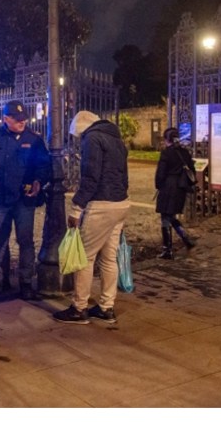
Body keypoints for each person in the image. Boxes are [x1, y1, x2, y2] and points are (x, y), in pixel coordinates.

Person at [52, 110, 130, 325]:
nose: (79, 141)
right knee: (109, 258)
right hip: (121, 203)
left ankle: (79, 307)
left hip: (101, 205)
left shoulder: (92, 138)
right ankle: (106, 307)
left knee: (84, 257)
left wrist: (77, 208)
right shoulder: (116, 139)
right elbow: (124, 175)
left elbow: (90, 176)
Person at [0, 99, 51, 300]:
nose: (22, 121)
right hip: (0, 199)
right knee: (0, 240)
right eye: (16, 119)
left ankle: (26, 283)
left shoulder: (34, 140)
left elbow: (44, 166)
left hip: (24, 200)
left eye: (23, 118)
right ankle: (0, 280)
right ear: (5, 118)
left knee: (25, 241)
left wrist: (38, 181)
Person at [154, 127, 197, 259]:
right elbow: (192, 171)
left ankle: (168, 249)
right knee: (170, 216)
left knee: (166, 217)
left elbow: (160, 173)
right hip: (180, 188)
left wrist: (158, 185)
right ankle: (186, 239)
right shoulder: (185, 152)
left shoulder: (167, 153)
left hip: (168, 187)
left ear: (167, 139)